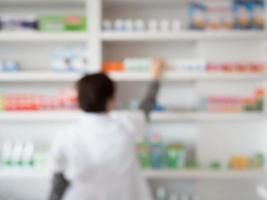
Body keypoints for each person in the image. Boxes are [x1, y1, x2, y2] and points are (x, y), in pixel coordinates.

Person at [49, 60, 165, 200]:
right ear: (111, 101)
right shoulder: (127, 124)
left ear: (78, 101)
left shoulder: (66, 136)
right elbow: (147, 105)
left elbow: (58, 182)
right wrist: (156, 77)